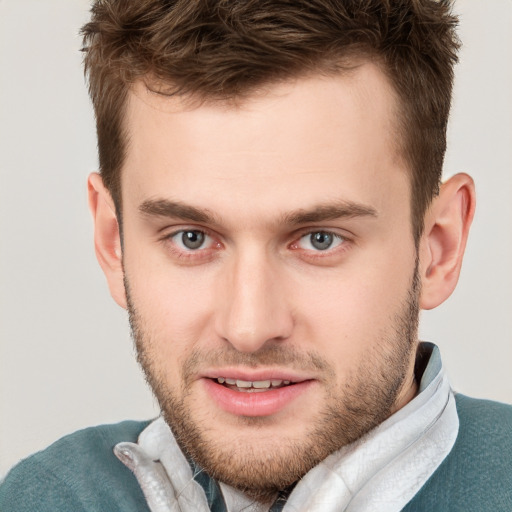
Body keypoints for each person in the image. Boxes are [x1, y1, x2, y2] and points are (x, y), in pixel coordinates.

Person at [1, 0, 511, 510]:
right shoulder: (45, 498)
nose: (249, 327)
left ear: (438, 247)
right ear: (115, 242)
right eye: (191, 238)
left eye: (320, 239)